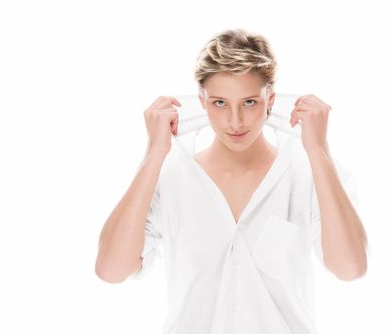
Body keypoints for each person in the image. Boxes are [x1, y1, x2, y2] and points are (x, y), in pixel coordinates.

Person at [95, 28, 368, 333]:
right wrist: (154, 154)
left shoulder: (308, 173)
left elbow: (350, 268)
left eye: (249, 102)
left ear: (271, 100)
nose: (235, 121)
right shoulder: (171, 175)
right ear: (201, 101)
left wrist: (318, 151)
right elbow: (110, 270)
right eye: (220, 103)